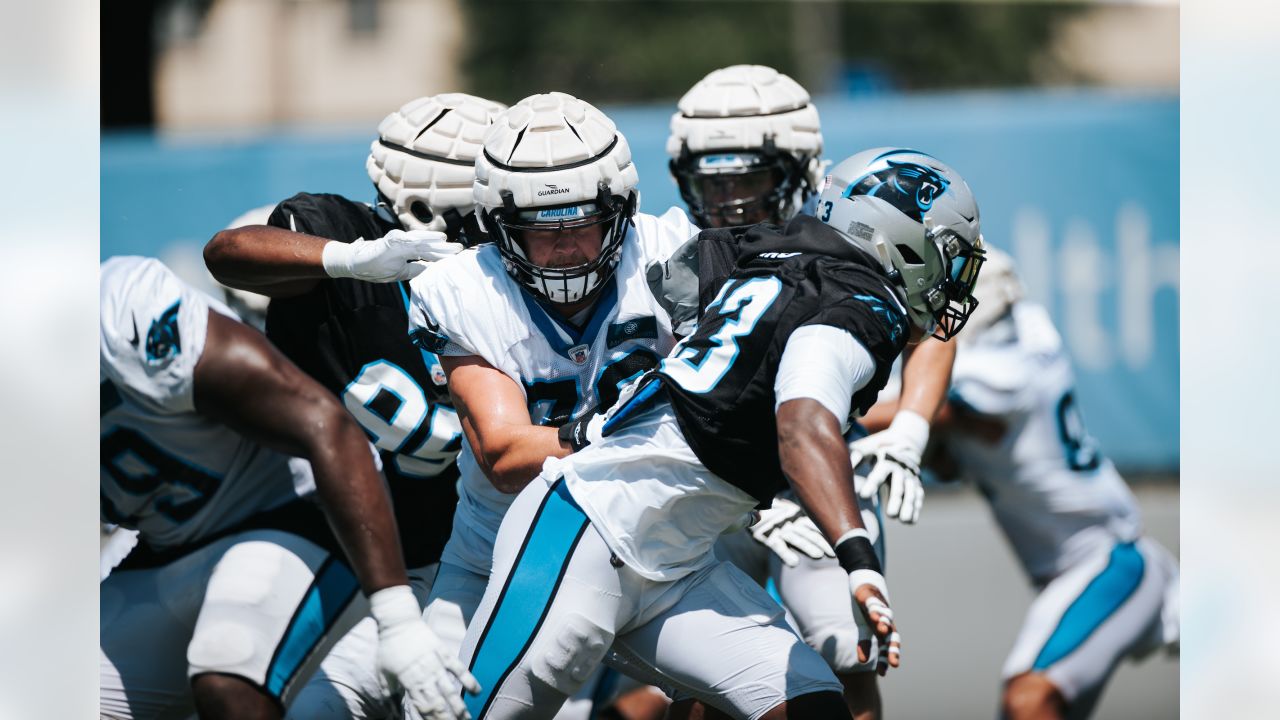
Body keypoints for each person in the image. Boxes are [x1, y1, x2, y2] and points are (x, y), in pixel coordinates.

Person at [455, 148, 985, 719]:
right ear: (899, 241)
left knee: (811, 704)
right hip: (587, 532)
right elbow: (803, 423)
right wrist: (857, 558)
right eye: (947, 256)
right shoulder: (858, 305)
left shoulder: (766, 251)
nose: (950, 279)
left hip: (679, 564)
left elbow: (680, 288)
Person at [663, 65, 973, 719]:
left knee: (846, 652)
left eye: (749, 179)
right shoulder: (666, 245)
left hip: (818, 480)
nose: (730, 202)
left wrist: (911, 430)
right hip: (708, 484)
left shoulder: (848, 232)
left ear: (800, 171)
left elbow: (930, 326)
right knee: (701, 684)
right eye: (712, 183)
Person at [204, 92, 506, 719]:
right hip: (357, 555)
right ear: (423, 207)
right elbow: (228, 253)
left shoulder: (528, 276)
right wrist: (351, 263)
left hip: (482, 557)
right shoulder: (349, 243)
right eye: (486, 212)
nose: (506, 228)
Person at [402, 90, 700, 720]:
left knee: (784, 691)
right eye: (542, 232)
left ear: (619, 212)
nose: (566, 250)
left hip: (651, 548)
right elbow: (507, 455)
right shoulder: (463, 291)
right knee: (439, 712)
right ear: (500, 229)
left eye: (582, 226)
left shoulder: (674, 255)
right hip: (497, 555)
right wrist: (620, 422)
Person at [100, 256, 476, 720]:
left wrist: (396, 617)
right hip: (166, 546)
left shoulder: (119, 317)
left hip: (291, 515)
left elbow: (328, 428)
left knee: (228, 672)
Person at [864, 248, 1179, 720]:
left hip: (1108, 561)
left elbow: (917, 409)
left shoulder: (997, 374)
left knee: (1028, 700)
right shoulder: (1029, 330)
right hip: (1087, 563)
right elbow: (950, 452)